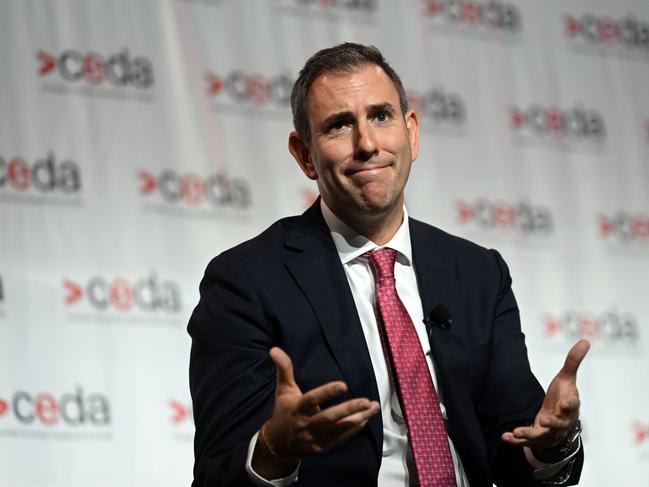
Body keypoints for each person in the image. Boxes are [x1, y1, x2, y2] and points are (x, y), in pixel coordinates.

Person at [188, 43, 589, 487]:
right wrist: (274, 449)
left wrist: (551, 446)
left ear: (411, 132)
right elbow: (215, 473)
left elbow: (517, 446)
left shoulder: (477, 273)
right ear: (304, 154)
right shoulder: (246, 281)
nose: (367, 144)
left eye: (380, 116)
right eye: (340, 125)